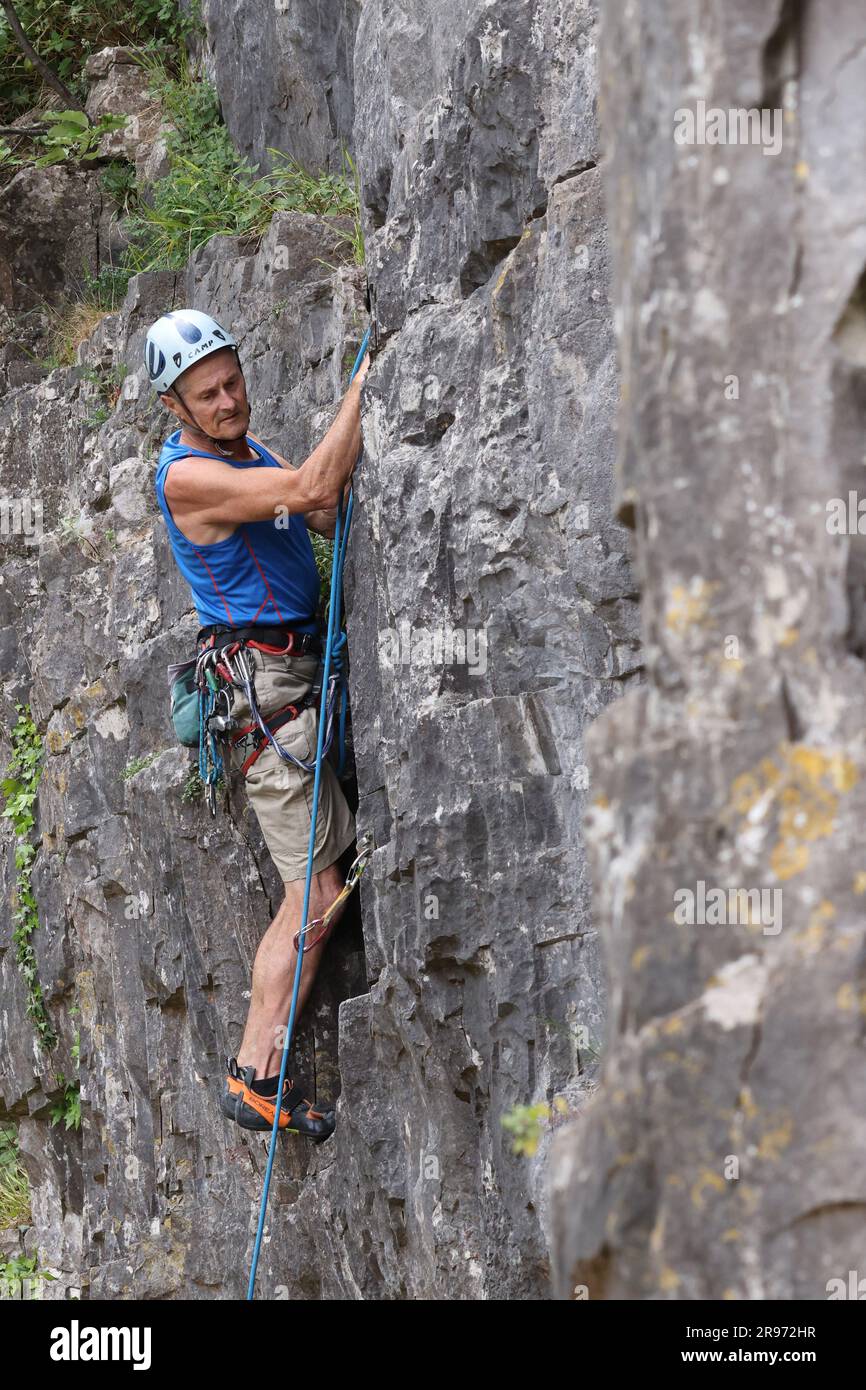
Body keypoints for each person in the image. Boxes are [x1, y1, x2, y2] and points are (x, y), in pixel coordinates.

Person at [147, 308, 369, 1143]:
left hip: (294, 671)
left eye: (234, 380)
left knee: (315, 891)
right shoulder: (187, 478)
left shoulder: (247, 453)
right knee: (312, 894)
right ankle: (254, 1075)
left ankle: (255, 1072)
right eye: (209, 394)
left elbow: (316, 513)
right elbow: (314, 490)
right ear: (176, 406)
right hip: (264, 692)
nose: (230, 400)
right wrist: (365, 383)